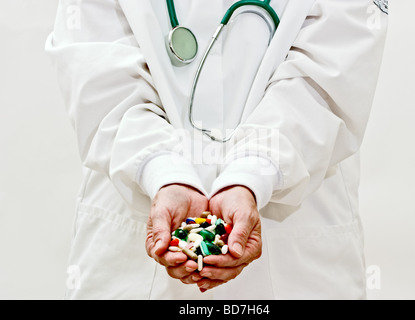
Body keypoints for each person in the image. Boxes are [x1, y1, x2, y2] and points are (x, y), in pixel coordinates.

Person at [46, 0, 388, 299]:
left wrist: (252, 175)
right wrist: (162, 171)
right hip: (131, 255)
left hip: (295, 253)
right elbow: (97, 73)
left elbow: (328, 78)